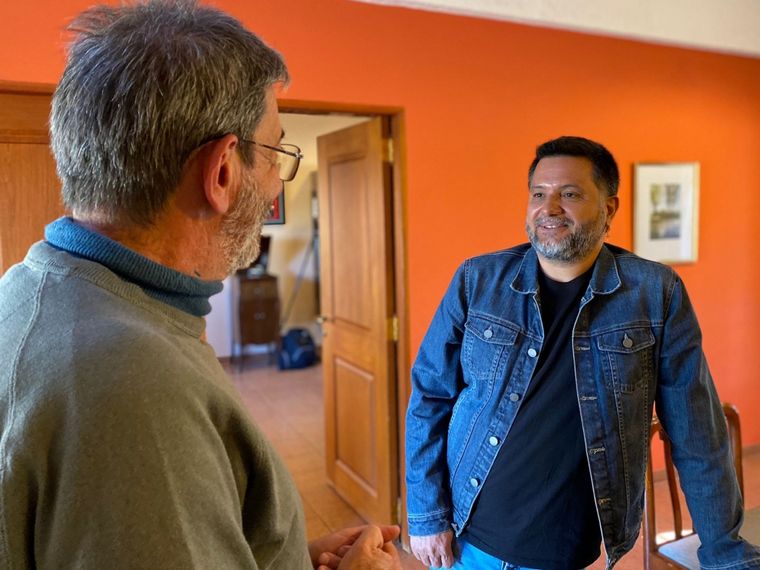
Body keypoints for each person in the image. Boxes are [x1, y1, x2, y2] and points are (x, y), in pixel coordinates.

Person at [0, 1, 401, 568]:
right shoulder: (134, 385)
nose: (273, 189)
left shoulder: (30, 288)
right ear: (221, 172)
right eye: (276, 155)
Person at [405, 136, 760, 569]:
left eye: (570, 194)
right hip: (469, 532)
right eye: (539, 193)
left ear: (609, 208)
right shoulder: (477, 281)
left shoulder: (654, 293)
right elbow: (429, 397)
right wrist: (426, 516)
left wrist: (725, 554)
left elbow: (696, 433)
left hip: (566, 546)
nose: (549, 207)